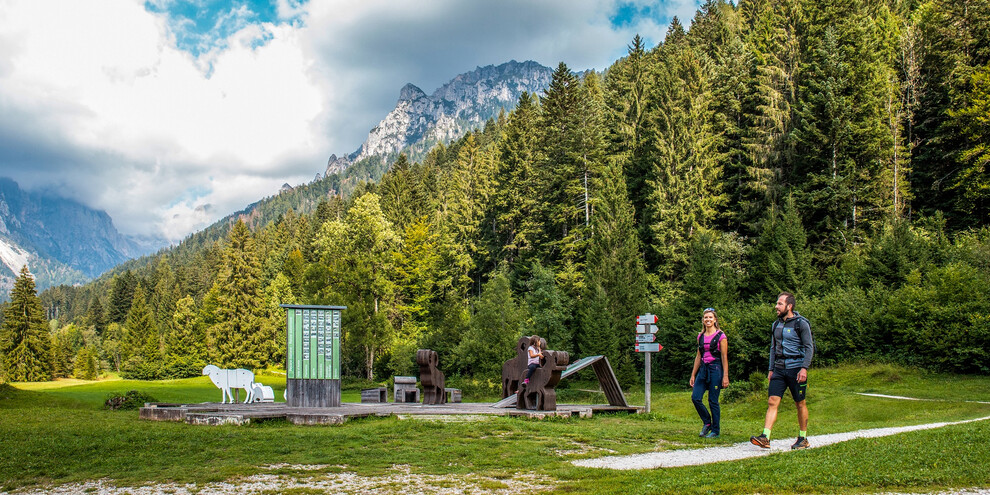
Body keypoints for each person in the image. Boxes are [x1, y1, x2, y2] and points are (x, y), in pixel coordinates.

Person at [750, 291, 814, 450]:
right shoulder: (775, 324)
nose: (776, 306)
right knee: (772, 401)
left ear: (789, 306)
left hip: (796, 369)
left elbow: (809, 347)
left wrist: (804, 368)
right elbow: (773, 347)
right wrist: (771, 369)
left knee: (800, 403)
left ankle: (803, 438)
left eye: (779, 304)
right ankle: (765, 437)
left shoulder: (801, 323)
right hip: (779, 368)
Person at [689, 307, 729, 438]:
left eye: (710, 317)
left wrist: (725, 376)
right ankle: (707, 422)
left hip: (716, 369)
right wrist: (693, 374)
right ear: (703, 320)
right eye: (706, 317)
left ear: (715, 320)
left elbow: (724, 357)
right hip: (703, 369)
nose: (708, 320)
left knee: (713, 401)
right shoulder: (700, 336)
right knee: (696, 397)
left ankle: (715, 430)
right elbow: (698, 356)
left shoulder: (721, 336)